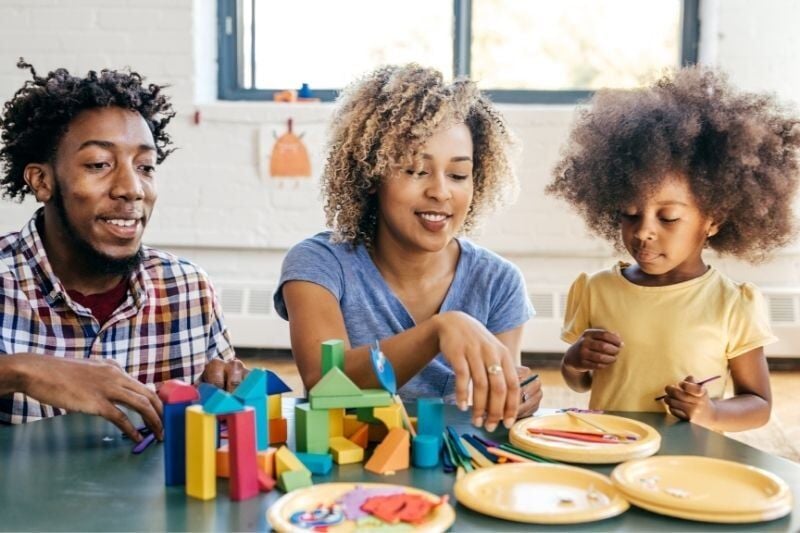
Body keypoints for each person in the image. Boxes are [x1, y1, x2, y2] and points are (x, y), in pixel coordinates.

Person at [274, 64, 542, 433]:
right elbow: (324, 384)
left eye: (459, 175)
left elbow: (493, 409)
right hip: (345, 469)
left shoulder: (499, 282)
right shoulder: (319, 264)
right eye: (417, 170)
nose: (441, 191)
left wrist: (514, 393)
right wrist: (439, 330)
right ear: (371, 174)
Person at [0, 60, 245, 442]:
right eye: (99, 164)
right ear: (42, 180)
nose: (132, 189)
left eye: (145, 167)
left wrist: (227, 389)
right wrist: (21, 371)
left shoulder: (188, 288)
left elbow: (222, 415)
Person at [547, 66, 800, 431]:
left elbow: (757, 404)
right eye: (630, 214)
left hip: (687, 460)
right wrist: (574, 362)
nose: (644, 231)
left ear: (712, 219)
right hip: (612, 445)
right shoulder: (595, 289)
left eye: (668, 218)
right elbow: (580, 382)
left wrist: (710, 413)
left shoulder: (733, 303)